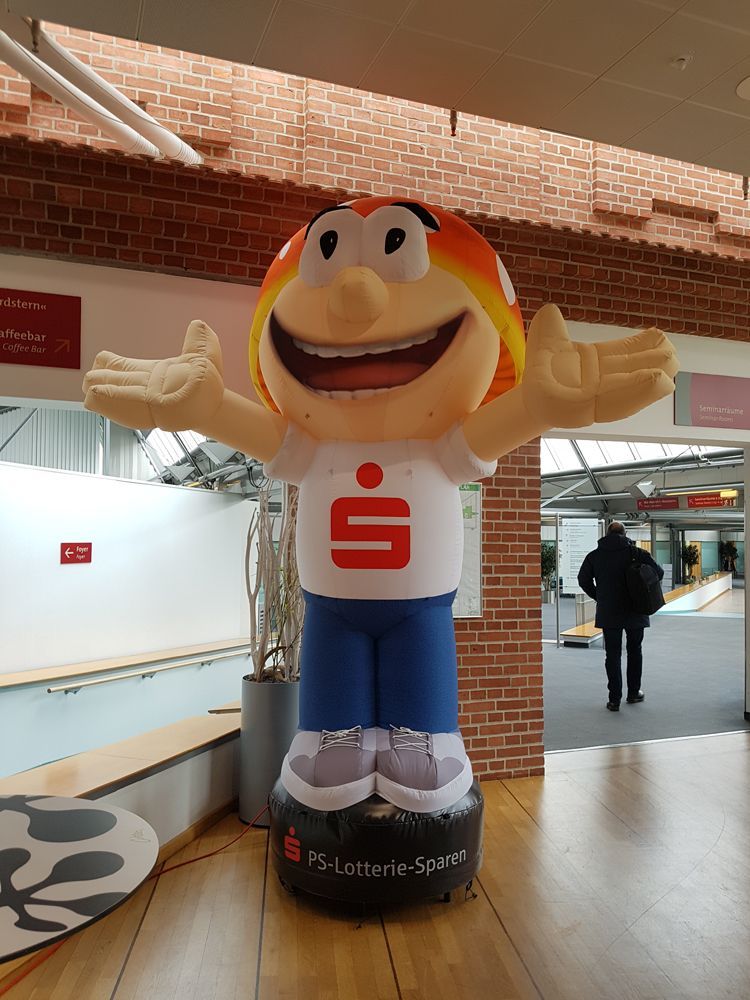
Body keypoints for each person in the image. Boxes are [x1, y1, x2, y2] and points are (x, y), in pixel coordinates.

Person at [577, 522, 664, 712]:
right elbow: (659, 573)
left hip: (609, 612)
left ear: (607, 534)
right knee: (635, 651)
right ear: (625, 534)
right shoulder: (638, 553)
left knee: (612, 654)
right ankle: (633, 693)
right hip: (636, 609)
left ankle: (614, 699)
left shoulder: (594, 556)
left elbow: (583, 579)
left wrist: (599, 596)